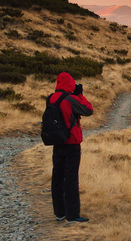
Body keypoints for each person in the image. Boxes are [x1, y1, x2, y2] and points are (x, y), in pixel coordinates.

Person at [50, 72, 93, 223]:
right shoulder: (70, 99)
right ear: (69, 84)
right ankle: (72, 215)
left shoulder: (52, 98)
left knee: (57, 177)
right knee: (71, 178)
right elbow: (88, 110)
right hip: (72, 143)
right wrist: (80, 95)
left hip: (57, 142)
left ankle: (59, 213)